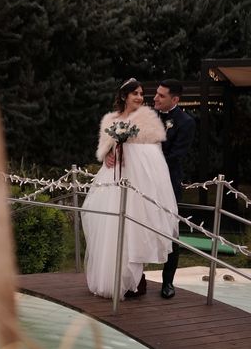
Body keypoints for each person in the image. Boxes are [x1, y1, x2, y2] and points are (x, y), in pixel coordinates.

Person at [81, 78, 178, 299]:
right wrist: (108, 153)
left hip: (137, 182)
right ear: (124, 96)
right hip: (114, 180)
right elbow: (102, 148)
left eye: (141, 94)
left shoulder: (148, 119)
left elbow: (155, 151)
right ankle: (110, 278)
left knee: (133, 229)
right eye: (135, 93)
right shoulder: (111, 119)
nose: (139, 98)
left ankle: (131, 279)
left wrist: (131, 143)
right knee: (112, 226)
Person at [153, 79, 196, 298]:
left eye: (161, 96)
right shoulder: (147, 116)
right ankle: (133, 280)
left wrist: (149, 164)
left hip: (168, 183)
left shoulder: (185, 122)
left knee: (171, 231)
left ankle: (167, 282)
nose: (155, 98)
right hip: (142, 183)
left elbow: (175, 156)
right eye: (156, 94)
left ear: (175, 99)